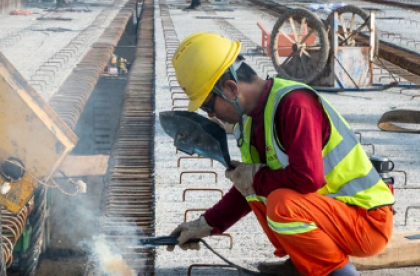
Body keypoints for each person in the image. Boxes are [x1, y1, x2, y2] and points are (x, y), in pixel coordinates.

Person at [166, 32, 394, 276]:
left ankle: (338, 273)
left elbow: (308, 178)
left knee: (281, 204)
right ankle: (302, 262)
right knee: (262, 192)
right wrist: (207, 224)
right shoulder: (249, 122)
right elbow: (248, 190)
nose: (211, 115)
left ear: (231, 89)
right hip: (334, 214)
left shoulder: (295, 105)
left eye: (209, 106)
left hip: (367, 220)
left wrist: (255, 178)